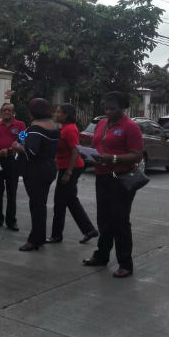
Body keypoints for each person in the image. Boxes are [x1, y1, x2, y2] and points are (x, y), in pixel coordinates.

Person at [83, 91, 144, 278]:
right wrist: (89, 155)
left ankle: (125, 263)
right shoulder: (101, 124)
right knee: (104, 220)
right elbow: (99, 147)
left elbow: (137, 154)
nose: (108, 111)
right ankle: (101, 256)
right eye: (106, 107)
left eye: (112, 108)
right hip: (102, 177)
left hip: (121, 178)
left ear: (122, 108)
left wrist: (114, 158)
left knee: (120, 222)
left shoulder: (130, 127)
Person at [11, 98, 60, 252]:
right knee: (40, 204)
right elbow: (24, 136)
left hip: (35, 171)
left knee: (36, 205)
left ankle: (34, 240)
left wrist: (17, 147)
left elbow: (31, 151)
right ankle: (40, 236)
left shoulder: (36, 128)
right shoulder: (53, 126)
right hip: (49, 167)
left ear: (33, 111)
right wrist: (21, 138)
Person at [47, 104, 98, 244]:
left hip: (71, 168)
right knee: (70, 201)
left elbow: (76, 151)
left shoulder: (69, 129)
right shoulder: (63, 128)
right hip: (67, 167)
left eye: (58, 112)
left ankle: (56, 235)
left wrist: (68, 172)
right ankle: (89, 230)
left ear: (66, 115)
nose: (56, 114)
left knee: (60, 203)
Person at [0, 103, 26, 231]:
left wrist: (10, 149)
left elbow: (22, 140)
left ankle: (11, 221)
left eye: (9, 110)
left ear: (13, 112)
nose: (7, 112)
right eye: (4, 110)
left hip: (13, 161)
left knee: (11, 191)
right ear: (1, 112)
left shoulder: (21, 125)